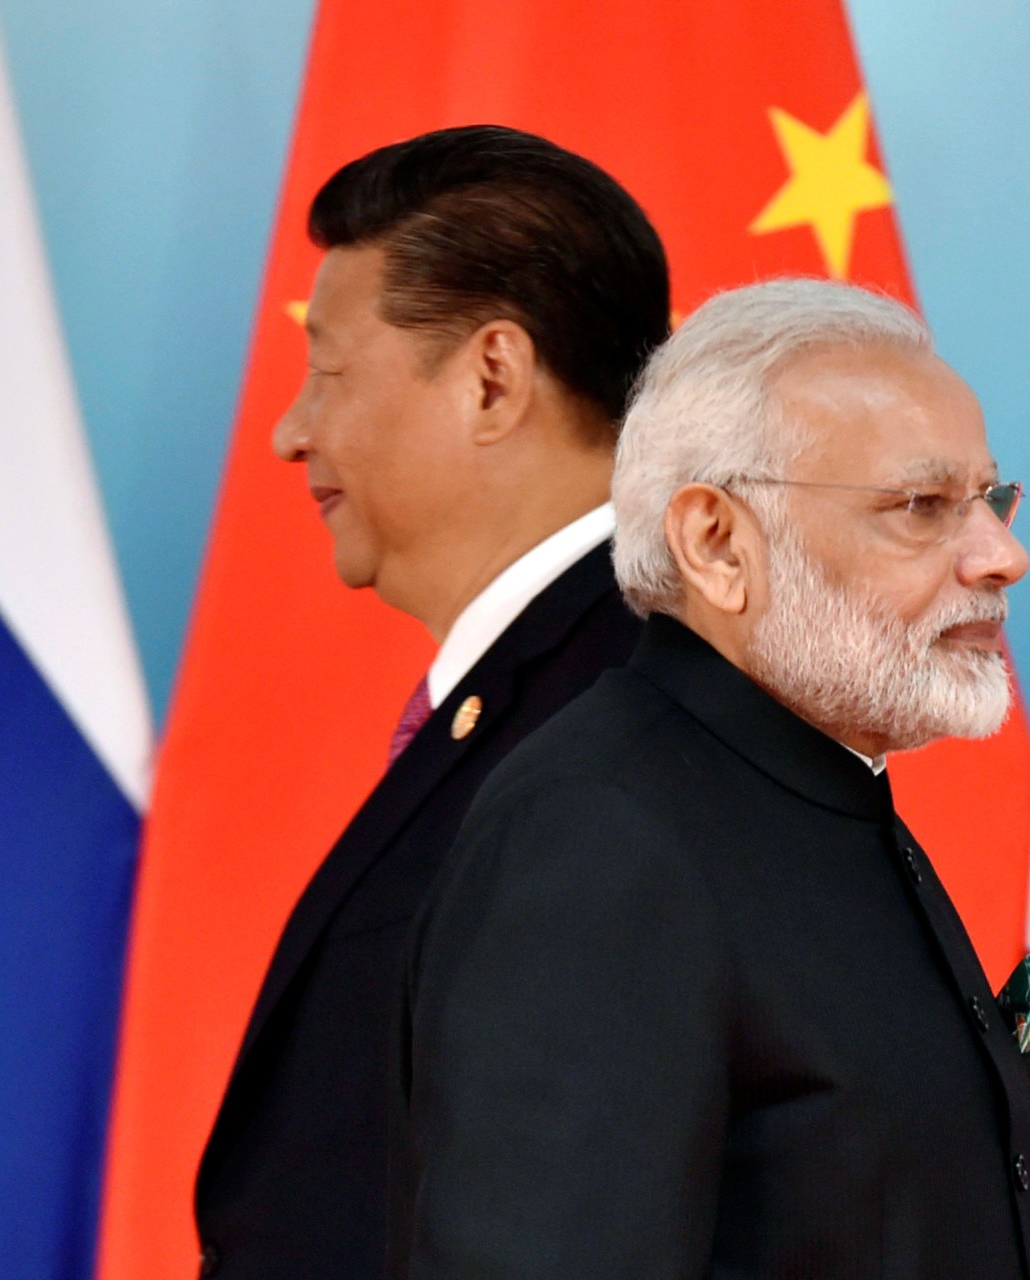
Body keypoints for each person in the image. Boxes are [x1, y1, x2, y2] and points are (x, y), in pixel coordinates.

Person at [392, 278, 1030, 1279]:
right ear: (715, 543)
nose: (1002, 553)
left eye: (988, 499)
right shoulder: (598, 838)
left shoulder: (810, 792)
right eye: (923, 506)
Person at [193, 125, 670, 1278]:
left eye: (331, 371)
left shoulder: (618, 727)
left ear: (493, 378)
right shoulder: (571, 688)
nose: (288, 428)